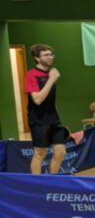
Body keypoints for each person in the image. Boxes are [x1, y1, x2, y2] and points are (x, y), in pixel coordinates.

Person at [25, 44, 67, 174]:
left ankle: (51, 181)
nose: (50, 57)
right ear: (37, 58)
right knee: (40, 153)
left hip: (53, 119)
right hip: (38, 120)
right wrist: (51, 80)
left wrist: (51, 77)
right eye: (46, 55)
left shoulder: (50, 73)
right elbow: (37, 100)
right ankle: (37, 184)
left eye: (51, 54)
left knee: (60, 152)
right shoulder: (31, 75)